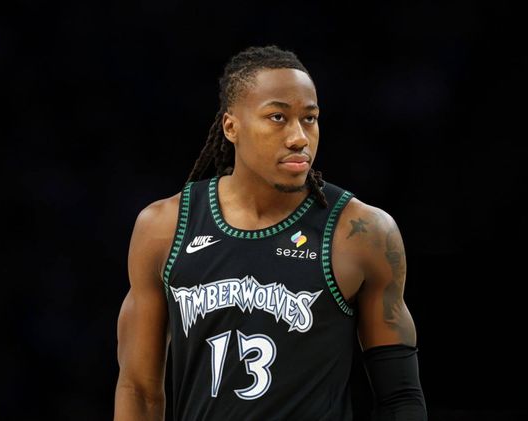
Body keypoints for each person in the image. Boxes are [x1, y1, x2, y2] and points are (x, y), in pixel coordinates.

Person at [114, 45, 427, 420]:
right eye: (278, 117)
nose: (299, 137)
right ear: (231, 127)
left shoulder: (361, 232)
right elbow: (138, 390)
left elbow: (400, 398)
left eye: (309, 119)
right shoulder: (164, 227)